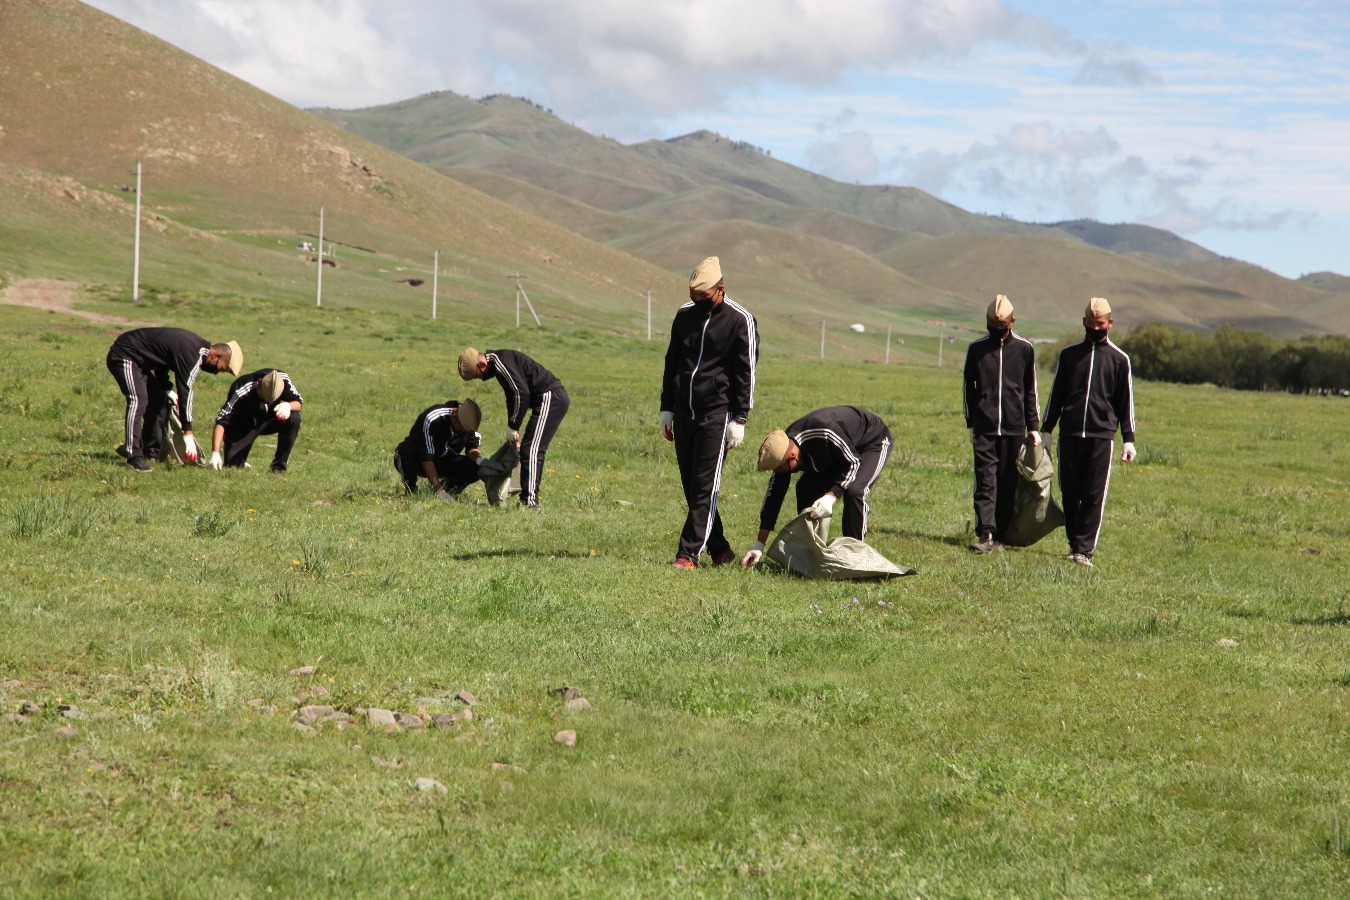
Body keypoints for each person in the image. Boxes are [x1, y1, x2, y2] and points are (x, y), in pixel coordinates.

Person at [660, 256, 759, 569]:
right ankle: (720, 550)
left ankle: (687, 554)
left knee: (706, 485)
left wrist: (739, 418)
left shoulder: (740, 319)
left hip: (717, 414)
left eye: (703, 298)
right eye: (694, 297)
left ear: (720, 289)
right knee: (692, 485)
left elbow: (746, 373)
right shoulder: (684, 315)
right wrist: (666, 406)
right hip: (684, 411)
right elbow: (672, 360)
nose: (698, 303)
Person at [1040, 297, 1137, 567]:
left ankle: (1084, 550)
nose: (1095, 328)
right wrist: (1046, 429)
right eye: (1091, 323)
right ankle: (1074, 543)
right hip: (1070, 434)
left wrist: (1128, 439)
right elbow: (1056, 394)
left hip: (1102, 437)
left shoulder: (1120, 360)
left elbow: (1125, 401)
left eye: (1100, 323)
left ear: (1110, 324)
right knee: (1070, 490)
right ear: (1084, 322)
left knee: (1094, 494)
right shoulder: (1069, 356)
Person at [741, 406, 892, 568]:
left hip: (872, 442)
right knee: (805, 488)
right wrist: (759, 544)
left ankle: (856, 557)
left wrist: (831, 496)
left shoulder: (825, 430)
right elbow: (775, 495)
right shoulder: (784, 449)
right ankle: (812, 554)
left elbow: (854, 462)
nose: (779, 473)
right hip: (839, 453)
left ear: (792, 457)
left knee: (855, 491)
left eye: (780, 470)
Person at [963, 294, 1041, 553]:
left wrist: (1034, 428)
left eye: (1002, 325)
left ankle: (1001, 535)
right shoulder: (976, 349)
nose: (997, 329)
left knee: (1007, 482)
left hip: (1013, 428)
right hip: (984, 428)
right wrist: (972, 422)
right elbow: (968, 388)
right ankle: (985, 533)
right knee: (985, 480)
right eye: (992, 325)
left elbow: (1030, 390)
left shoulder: (1024, 349)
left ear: (1012, 321)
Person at [105, 327, 242, 471]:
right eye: (220, 368)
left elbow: (161, 358)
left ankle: (149, 452)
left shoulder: (196, 348)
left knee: (159, 400)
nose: (216, 373)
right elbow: (186, 391)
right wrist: (187, 432)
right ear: (215, 355)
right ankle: (133, 456)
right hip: (125, 355)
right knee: (138, 401)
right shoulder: (194, 354)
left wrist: (166, 389)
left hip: (139, 361)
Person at [457, 348, 567, 508]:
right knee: (529, 449)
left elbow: (521, 393)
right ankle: (527, 499)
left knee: (532, 451)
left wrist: (513, 426)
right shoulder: (499, 363)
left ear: (481, 364)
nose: (481, 380)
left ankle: (530, 502)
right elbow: (512, 397)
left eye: (477, 375)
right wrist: (514, 429)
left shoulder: (500, 362)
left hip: (550, 397)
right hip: (546, 399)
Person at [209, 369, 305, 474]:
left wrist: (288, 405)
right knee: (233, 467)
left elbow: (299, 402)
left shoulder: (283, 380)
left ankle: (279, 468)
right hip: (243, 425)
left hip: (268, 419)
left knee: (294, 418)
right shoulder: (242, 388)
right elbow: (222, 420)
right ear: (258, 384)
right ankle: (239, 461)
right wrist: (215, 452)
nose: (267, 403)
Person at [393, 398, 484, 498]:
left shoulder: (466, 424)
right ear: (454, 417)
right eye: (463, 431)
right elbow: (427, 458)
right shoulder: (433, 419)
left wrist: (480, 461)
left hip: (442, 461)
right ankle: (411, 490)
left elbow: (472, 448)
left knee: (476, 467)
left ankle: (449, 490)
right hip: (419, 460)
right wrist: (439, 490)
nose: (464, 434)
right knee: (406, 450)